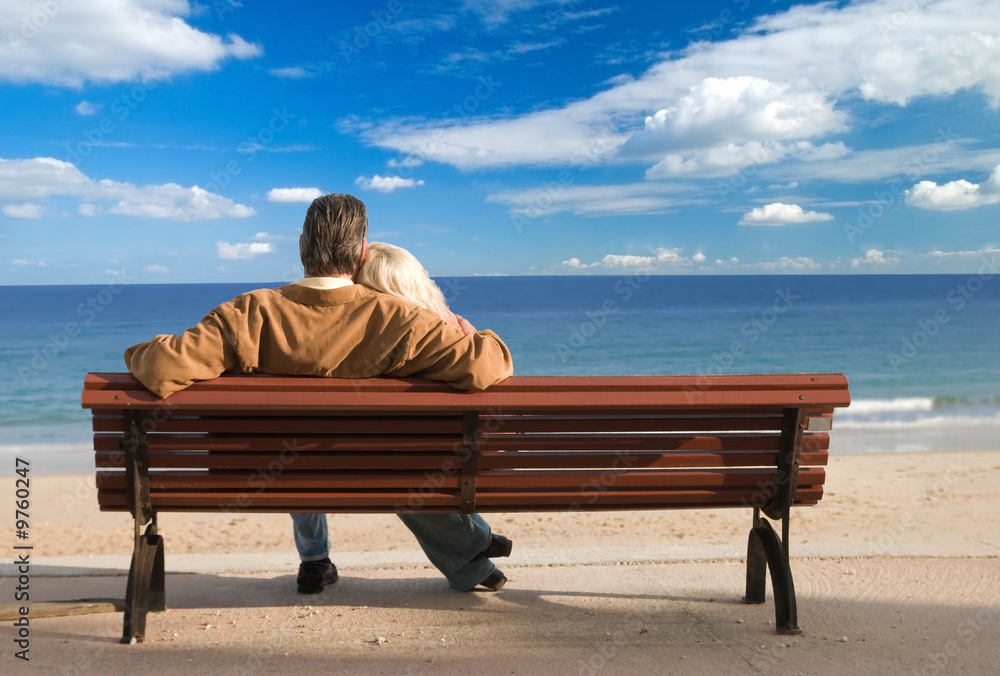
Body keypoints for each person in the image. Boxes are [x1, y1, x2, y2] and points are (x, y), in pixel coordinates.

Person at [124, 193, 515, 594]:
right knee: (395, 451)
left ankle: (319, 558)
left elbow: (159, 368)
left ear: (300, 246)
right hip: (385, 474)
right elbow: (490, 366)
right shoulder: (402, 319)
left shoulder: (249, 313)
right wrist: (473, 333)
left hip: (281, 474)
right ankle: (471, 547)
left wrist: (140, 350)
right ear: (361, 252)